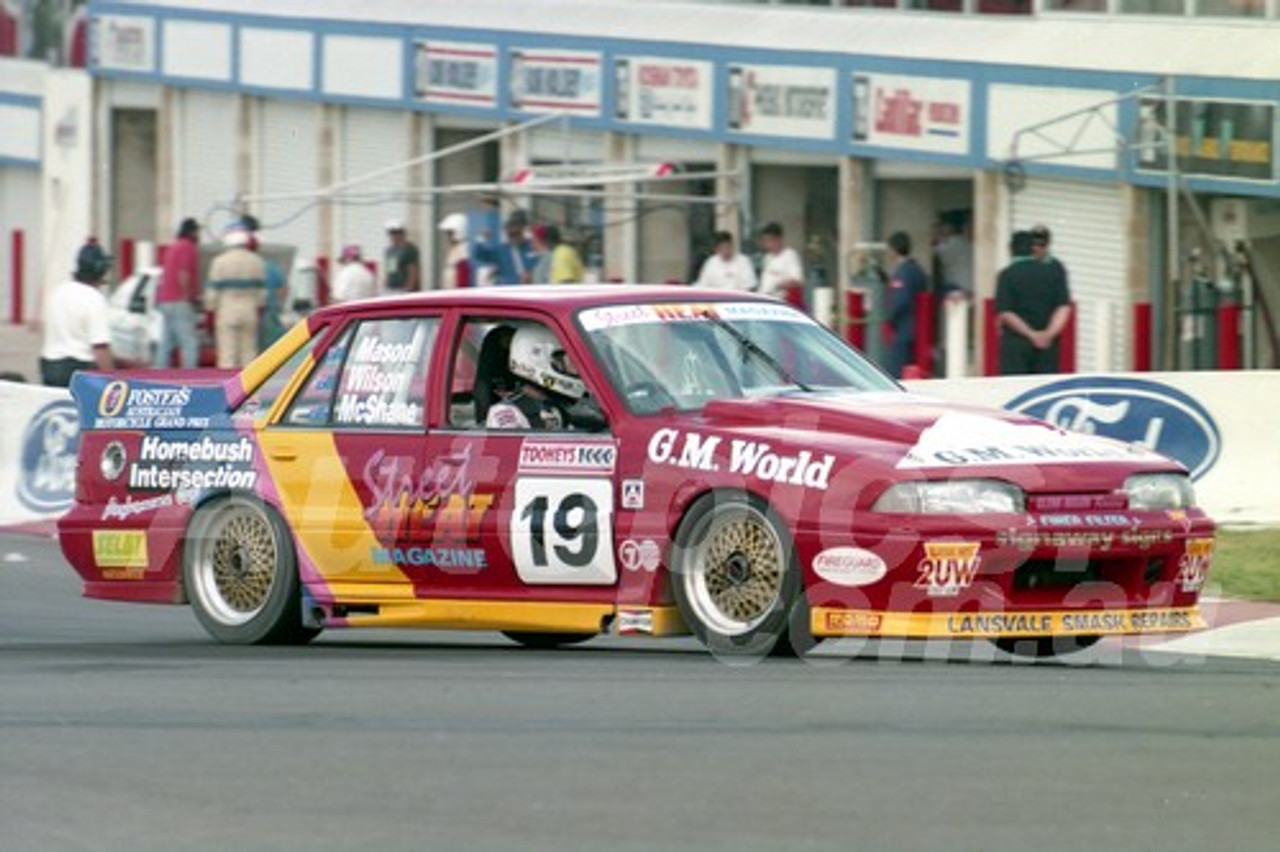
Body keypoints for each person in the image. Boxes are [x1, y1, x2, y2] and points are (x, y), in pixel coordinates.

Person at [40, 240, 115, 387]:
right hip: (79, 370)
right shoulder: (95, 299)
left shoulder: (58, 292)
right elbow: (100, 349)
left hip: (49, 366)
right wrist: (114, 382)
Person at [996, 230, 1072, 375]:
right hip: (1048, 346)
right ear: (1032, 249)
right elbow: (1063, 307)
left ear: (1010, 249)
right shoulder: (1053, 272)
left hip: (1016, 344)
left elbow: (1006, 312)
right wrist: (1048, 334)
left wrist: (1032, 334)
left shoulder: (1007, 275)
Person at [486, 325, 584, 429]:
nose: (575, 369)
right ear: (540, 360)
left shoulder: (559, 404)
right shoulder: (507, 413)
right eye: (565, 361)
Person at [206, 227, 267, 369]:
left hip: (227, 310)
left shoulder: (219, 261)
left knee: (227, 354)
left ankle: (228, 388)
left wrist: (210, 311)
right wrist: (260, 310)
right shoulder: (257, 261)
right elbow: (262, 293)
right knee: (249, 353)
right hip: (249, 310)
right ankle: (250, 387)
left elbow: (212, 292)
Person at [154, 216, 201, 368]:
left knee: (166, 342)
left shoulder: (173, 247)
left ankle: (159, 375)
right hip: (179, 300)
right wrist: (189, 295)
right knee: (189, 343)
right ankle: (190, 377)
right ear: (193, 232)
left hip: (165, 300)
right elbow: (184, 273)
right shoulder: (187, 247)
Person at [884, 230, 927, 379]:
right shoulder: (917, 270)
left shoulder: (903, 272)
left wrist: (888, 318)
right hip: (918, 330)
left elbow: (900, 301)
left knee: (895, 374)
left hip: (903, 331)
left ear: (894, 250)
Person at [472, 209, 539, 286]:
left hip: (529, 290)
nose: (514, 236)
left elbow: (542, 266)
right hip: (507, 290)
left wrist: (533, 275)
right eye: (510, 234)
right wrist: (481, 238)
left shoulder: (533, 247)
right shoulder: (501, 250)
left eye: (517, 233)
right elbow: (479, 254)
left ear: (523, 230)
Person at [255, 235, 289, 351]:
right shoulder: (272, 267)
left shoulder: (251, 264)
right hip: (269, 308)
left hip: (252, 308)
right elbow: (283, 289)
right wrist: (279, 305)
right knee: (272, 344)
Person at [757, 222, 804, 300]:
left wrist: (778, 285)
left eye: (770, 240)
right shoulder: (767, 258)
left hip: (781, 300)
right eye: (765, 241)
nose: (768, 244)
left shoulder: (790, 255)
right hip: (765, 298)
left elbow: (797, 281)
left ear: (779, 239)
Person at [933, 211, 974, 301]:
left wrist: (937, 238)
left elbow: (935, 252)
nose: (941, 230)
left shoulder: (954, 242)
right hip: (970, 288)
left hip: (958, 290)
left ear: (949, 227)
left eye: (942, 227)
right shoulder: (966, 241)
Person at [383, 219, 421, 293]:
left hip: (404, 289)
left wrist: (409, 288)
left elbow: (413, 271)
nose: (394, 236)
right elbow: (390, 270)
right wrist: (385, 284)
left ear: (403, 233)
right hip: (392, 288)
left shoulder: (409, 249)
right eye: (392, 233)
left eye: (397, 232)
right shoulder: (390, 251)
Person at [438, 213, 472, 290]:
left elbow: (463, 276)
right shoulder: (455, 248)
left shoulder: (464, 249)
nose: (447, 237)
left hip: (457, 292)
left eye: (449, 233)